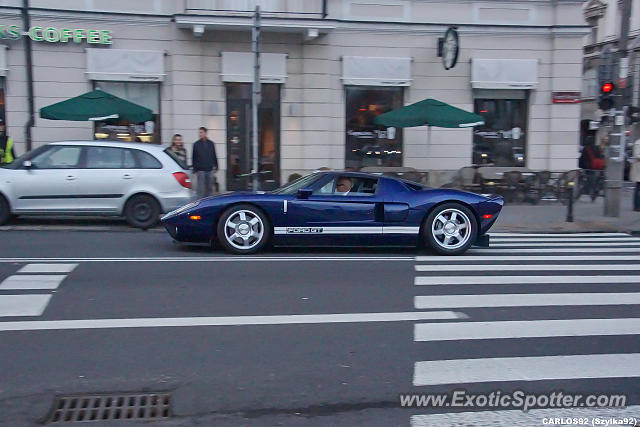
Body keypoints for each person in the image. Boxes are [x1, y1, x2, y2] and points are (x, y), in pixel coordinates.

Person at [192, 126, 218, 198]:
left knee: (209, 187)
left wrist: (216, 165)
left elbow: (214, 155)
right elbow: (194, 157)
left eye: (201, 132)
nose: (200, 134)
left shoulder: (211, 144)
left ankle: (208, 201)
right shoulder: (196, 144)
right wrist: (195, 169)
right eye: (199, 133)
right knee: (200, 188)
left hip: (209, 169)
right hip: (200, 170)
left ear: (205, 133)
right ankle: (199, 203)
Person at [632, 138, 640, 211]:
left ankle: (637, 206)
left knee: (638, 188)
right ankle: (637, 206)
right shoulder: (638, 143)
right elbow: (637, 155)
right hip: (638, 168)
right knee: (638, 188)